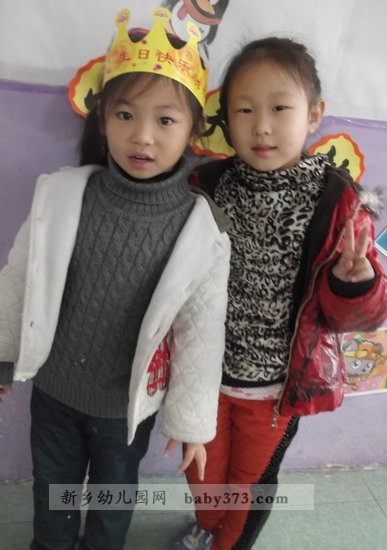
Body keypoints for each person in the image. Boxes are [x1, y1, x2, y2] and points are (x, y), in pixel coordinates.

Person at [0, 8, 231, 550]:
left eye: (165, 120)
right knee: (54, 491)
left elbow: (202, 331)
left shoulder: (200, 229)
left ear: (192, 130)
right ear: (102, 120)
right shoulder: (63, 195)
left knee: (114, 498)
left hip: (125, 409)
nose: (142, 136)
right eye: (125, 115)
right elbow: (22, 275)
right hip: (55, 392)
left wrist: (190, 423)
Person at [172, 36, 387, 550]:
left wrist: (353, 282)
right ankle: (209, 526)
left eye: (279, 108)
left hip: (275, 392)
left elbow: (359, 317)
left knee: (249, 486)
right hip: (203, 378)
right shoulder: (206, 186)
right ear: (226, 118)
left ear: (314, 115)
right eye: (244, 110)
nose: (261, 126)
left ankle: (227, 544)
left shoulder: (339, 203)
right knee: (205, 484)